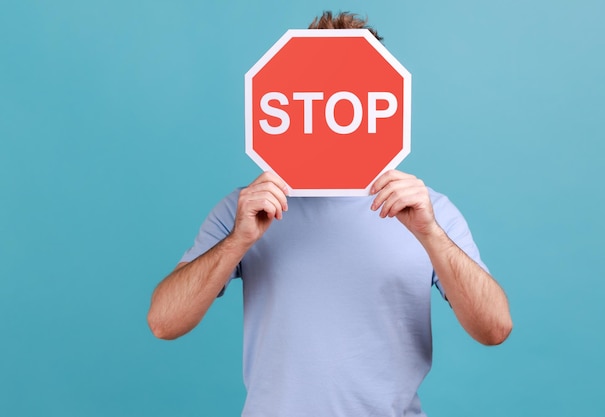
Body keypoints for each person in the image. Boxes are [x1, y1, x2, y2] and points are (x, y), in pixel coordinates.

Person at [147, 11, 512, 417]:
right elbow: (164, 322)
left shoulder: (430, 210)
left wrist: (429, 233)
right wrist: (239, 239)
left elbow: (494, 328)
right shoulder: (248, 207)